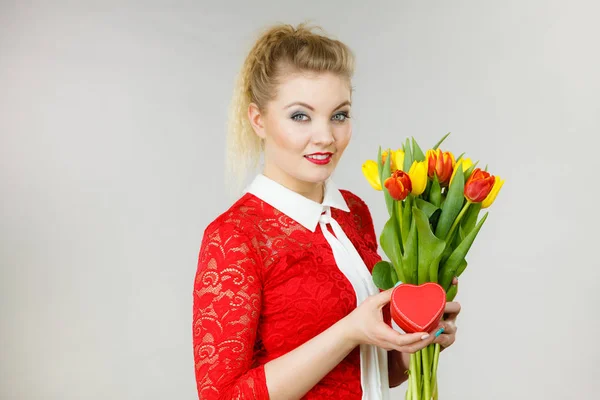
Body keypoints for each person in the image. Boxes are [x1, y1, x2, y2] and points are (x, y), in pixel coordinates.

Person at [192, 22, 460, 400]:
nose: (325, 137)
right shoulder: (235, 236)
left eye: (339, 115)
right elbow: (221, 397)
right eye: (300, 116)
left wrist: (417, 341)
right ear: (258, 120)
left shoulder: (353, 212)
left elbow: (368, 372)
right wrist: (349, 330)